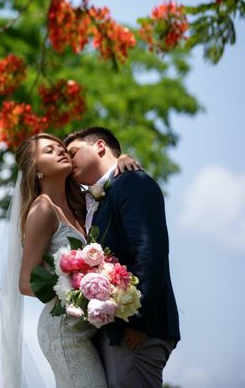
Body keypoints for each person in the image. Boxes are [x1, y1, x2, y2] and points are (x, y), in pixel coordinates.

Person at [0, 133, 140, 388]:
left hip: (90, 329)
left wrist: (122, 160)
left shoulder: (83, 205)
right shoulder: (43, 210)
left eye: (61, 147)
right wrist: (80, 288)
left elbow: (104, 167)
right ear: (37, 169)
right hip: (63, 331)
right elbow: (26, 282)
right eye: (49, 151)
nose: (61, 151)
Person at [64, 127, 180, 388]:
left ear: (100, 146)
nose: (69, 161)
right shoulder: (94, 199)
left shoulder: (131, 182)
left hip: (136, 329)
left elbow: (149, 249)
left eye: (73, 152)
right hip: (110, 328)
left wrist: (138, 323)